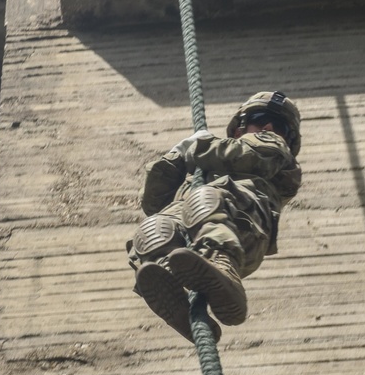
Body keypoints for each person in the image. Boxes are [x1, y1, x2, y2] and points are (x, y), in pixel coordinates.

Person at [128, 91, 302, 341]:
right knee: (154, 230)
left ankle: (225, 272)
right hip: (197, 233)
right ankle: (175, 291)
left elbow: (249, 157)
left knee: (205, 199)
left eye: (283, 127)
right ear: (239, 128)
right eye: (260, 118)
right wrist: (176, 157)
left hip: (242, 229)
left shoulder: (274, 149)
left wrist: (197, 147)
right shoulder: (208, 156)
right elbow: (153, 202)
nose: (270, 126)